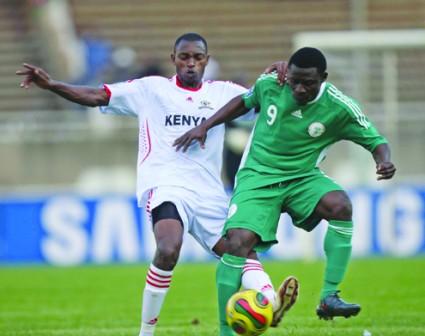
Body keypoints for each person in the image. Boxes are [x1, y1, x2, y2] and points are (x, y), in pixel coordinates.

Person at [16, 33, 298, 336]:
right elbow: (98, 96)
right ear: (173, 59)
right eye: (185, 57)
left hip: (209, 194)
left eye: (197, 57)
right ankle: (145, 334)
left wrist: (280, 76)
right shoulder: (151, 90)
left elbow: (267, 104)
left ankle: (269, 300)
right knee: (167, 247)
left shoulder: (225, 93)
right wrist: (53, 85)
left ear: (207, 60)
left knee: (239, 255)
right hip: (165, 186)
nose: (191, 63)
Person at [174, 47, 396, 334]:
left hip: (302, 177)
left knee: (341, 205)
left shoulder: (339, 106)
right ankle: (225, 330)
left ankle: (329, 296)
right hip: (257, 176)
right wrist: (206, 125)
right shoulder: (271, 83)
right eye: (295, 81)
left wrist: (384, 161)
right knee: (237, 242)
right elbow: (243, 102)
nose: (300, 89)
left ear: (323, 78)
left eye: (308, 83)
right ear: (288, 75)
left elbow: (375, 140)